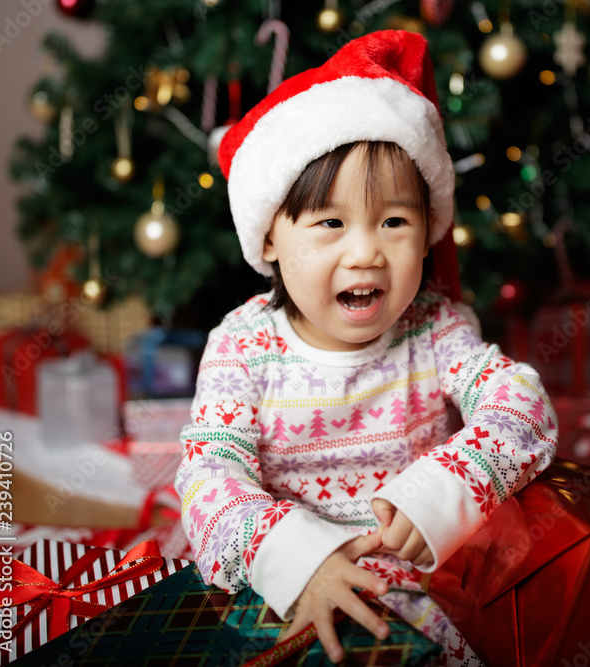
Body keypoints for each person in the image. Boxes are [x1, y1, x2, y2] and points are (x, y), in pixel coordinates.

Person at [176, 30, 558, 665]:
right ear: (270, 238)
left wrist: (445, 489)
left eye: (394, 222)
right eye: (330, 223)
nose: (365, 252)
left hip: (424, 597)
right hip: (289, 593)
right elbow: (209, 476)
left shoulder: (434, 329)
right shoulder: (243, 346)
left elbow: (521, 408)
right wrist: (299, 561)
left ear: (428, 231)